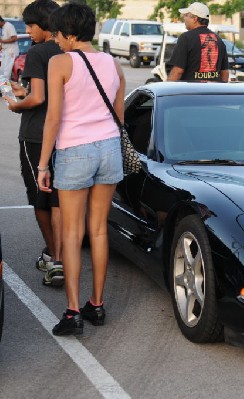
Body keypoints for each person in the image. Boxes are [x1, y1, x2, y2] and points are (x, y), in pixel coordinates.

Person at [38, 3, 125, 336]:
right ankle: (97, 305)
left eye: (59, 34)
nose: (57, 41)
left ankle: (73, 312)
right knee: (99, 229)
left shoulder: (60, 62)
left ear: (71, 33)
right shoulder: (113, 63)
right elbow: (119, 117)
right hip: (108, 149)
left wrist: (44, 163)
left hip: (75, 150)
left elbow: (54, 118)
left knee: (72, 235)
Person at [3, 0, 63, 287]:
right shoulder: (68, 50)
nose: (27, 31)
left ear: (44, 25)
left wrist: (17, 104)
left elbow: (38, 99)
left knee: (40, 197)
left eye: (30, 25)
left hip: (37, 134)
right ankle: (61, 254)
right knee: (59, 199)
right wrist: (25, 90)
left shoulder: (39, 52)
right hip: (65, 134)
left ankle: (54, 256)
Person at [167, 2, 229, 82]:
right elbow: (225, 73)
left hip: (191, 92)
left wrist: (165, 88)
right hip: (212, 92)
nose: (184, 18)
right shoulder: (218, 40)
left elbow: (177, 71)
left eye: (186, 15)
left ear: (195, 19)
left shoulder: (185, 38)